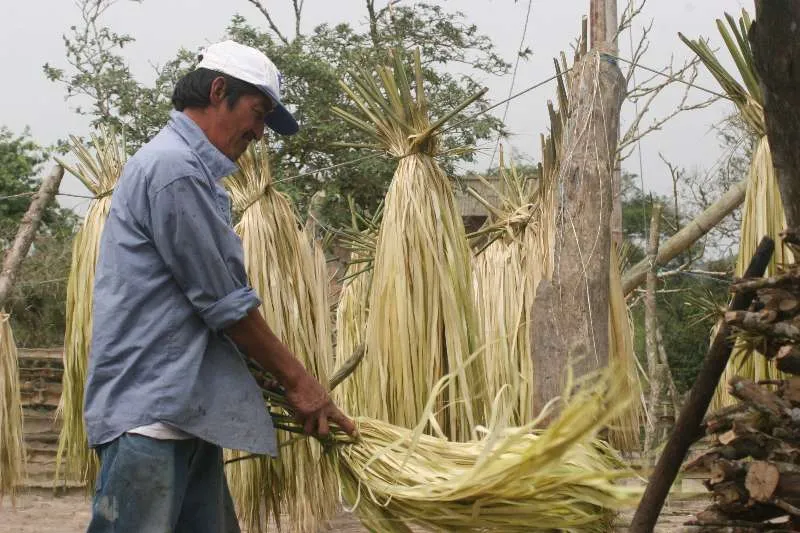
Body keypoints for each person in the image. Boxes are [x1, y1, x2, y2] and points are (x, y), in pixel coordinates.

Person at [82, 40, 356, 533]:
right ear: (217, 91)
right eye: (257, 113)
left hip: (182, 412)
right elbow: (224, 302)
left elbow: (193, 302)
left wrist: (258, 370)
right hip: (151, 415)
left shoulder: (189, 172)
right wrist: (301, 383)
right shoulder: (174, 170)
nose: (259, 131)